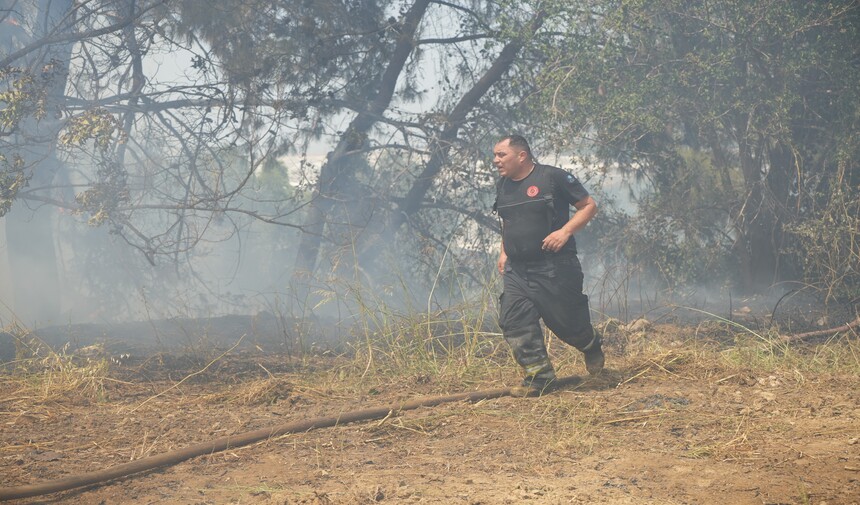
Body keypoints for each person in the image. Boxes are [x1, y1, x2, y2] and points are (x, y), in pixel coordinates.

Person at [492, 135, 603, 397]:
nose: (495, 161)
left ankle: (590, 344)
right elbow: (508, 221)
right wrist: (504, 251)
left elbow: (589, 206)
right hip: (517, 270)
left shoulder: (552, 178)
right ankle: (541, 378)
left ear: (521, 155)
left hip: (555, 267)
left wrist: (564, 232)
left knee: (566, 324)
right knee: (513, 319)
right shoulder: (503, 185)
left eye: (501, 155)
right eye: (495, 156)